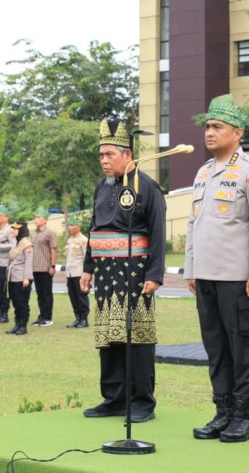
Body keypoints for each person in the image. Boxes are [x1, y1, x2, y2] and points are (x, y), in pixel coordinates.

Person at [184, 95, 249, 443]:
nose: (209, 132)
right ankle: (222, 412)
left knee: (241, 345)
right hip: (205, 276)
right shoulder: (203, 172)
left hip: (237, 277)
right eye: (207, 126)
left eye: (217, 126)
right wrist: (191, 268)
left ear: (237, 133)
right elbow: (195, 223)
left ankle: (243, 416)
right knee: (215, 346)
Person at [79, 118, 166, 423]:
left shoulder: (147, 187)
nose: (104, 161)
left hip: (135, 270)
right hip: (103, 272)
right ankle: (114, 398)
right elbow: (95, 229)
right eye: (101, 155)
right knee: (108, 336)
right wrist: (88, 267)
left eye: (110, 155)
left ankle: (142, 400)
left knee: (136, 336)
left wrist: (154, 274)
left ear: (127, 155)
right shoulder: (101, 187)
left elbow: (158, 232)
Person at [5, 220, 33, 336]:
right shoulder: (17, 242)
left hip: (22, 278)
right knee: (15, 302)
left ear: (21, 230)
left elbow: (28, 262)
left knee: (22, 303)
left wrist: (26, 278)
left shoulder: (26, 244)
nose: (13, 231)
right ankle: (17, 324)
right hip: (13, 277)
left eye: (16, 229)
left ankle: (23, 326)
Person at [30, 207, 57, 327]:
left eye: (39, 217)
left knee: (46, 293)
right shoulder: (35, 233)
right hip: (35, 267)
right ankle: (41, 315)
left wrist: (52, 265)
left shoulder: (49, 233)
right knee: (40, 293)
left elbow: (53, 249)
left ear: (45, 220)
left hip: (46, 267)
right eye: (35, 217)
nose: (36, 219)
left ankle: (47, 317)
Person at [63, 215, 90, 329]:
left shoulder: (84, 240)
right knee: (73, 296)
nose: (70, 227)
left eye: (72, 225)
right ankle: (77, 317)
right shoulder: (70, 240)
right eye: (69, 225)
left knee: (81, 296)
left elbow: (87, 259)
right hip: (70, 273)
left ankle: (84, 319)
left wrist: (87, 275)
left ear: (78, 226)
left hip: (79, 273)